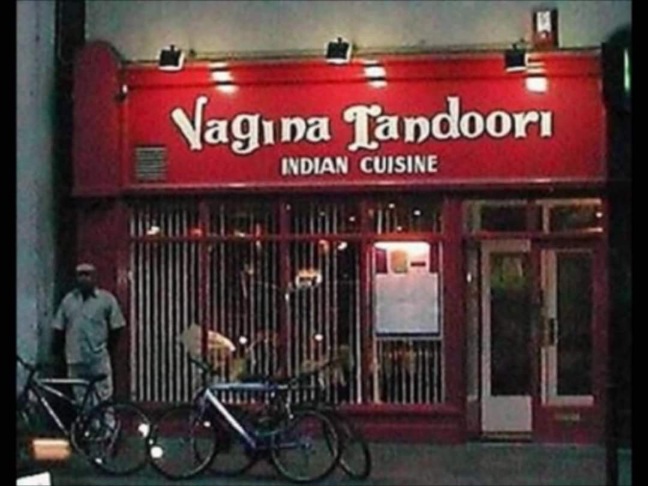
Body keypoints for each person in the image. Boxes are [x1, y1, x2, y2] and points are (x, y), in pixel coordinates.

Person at [52, 263, 126, 408]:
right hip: (75, 359)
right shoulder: (68, 301)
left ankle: (106, 423)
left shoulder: (106, 300)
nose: (84, 279)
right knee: (81, 400)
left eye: (87, 275)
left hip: (98, 359)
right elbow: (59, 328)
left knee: (103, 398)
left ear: (95, 277)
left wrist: (108, 349)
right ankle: (87, 423)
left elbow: (117, 327)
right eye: (80, 275)